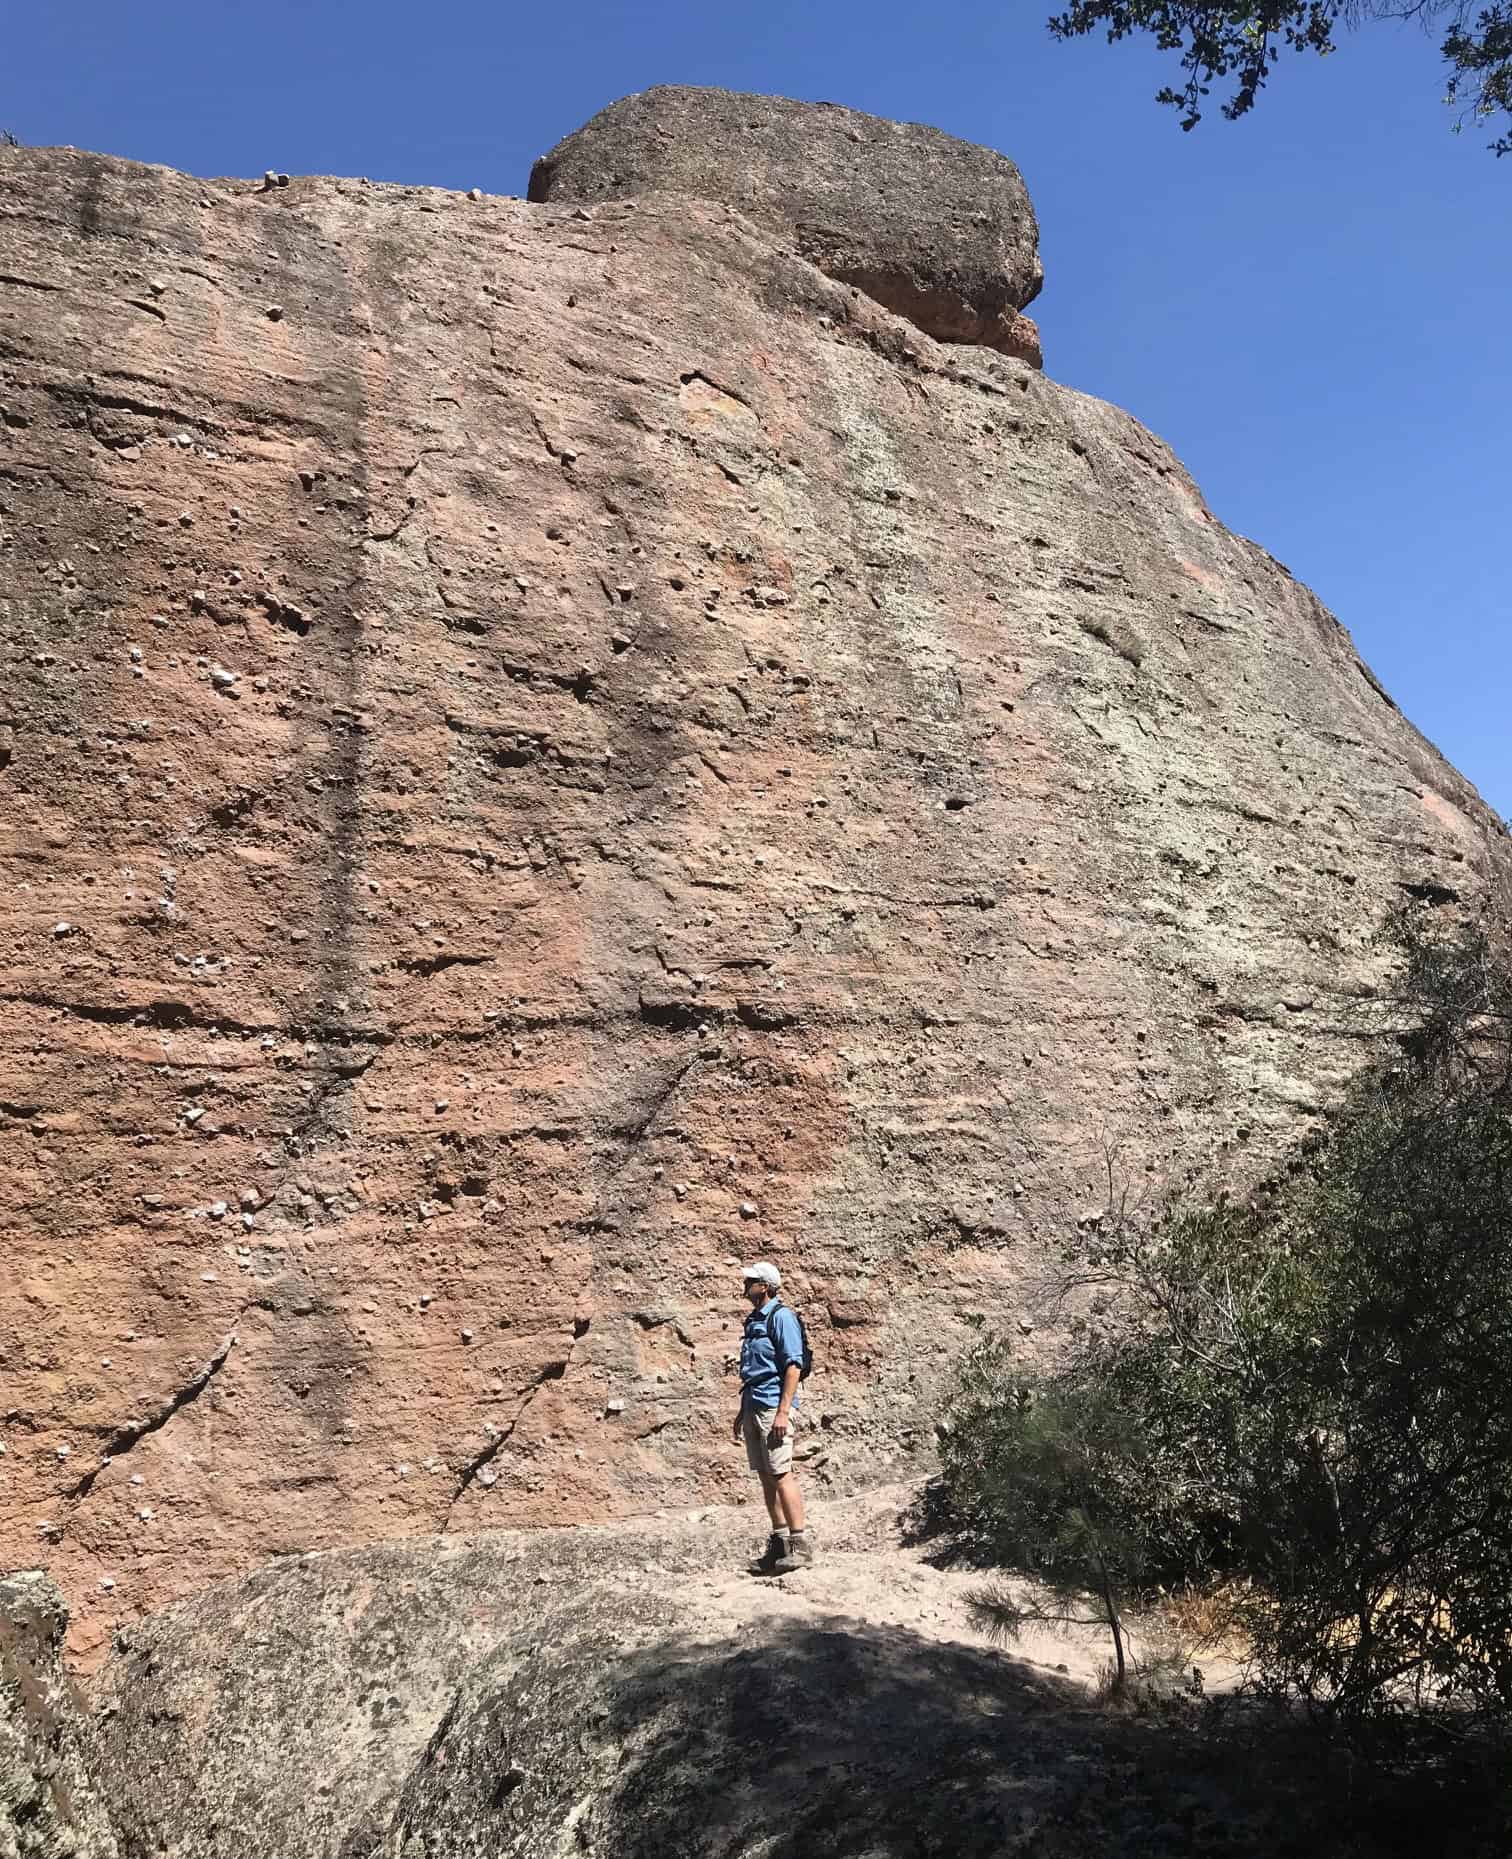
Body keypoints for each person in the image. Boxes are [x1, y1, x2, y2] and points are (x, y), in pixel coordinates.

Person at [734, 1261, 813, 1573]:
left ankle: (800, 1545)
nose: (745, 1284)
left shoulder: (781, 1318)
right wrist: (743, 1410)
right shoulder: (754, 1320)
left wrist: (783, 1411)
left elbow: (793, 1365)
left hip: (772, 1405)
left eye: (751, 1280)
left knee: (781, 1473)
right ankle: (779, 1545)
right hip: (755, 1402)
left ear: (764, 1286)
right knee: (766, 1475)